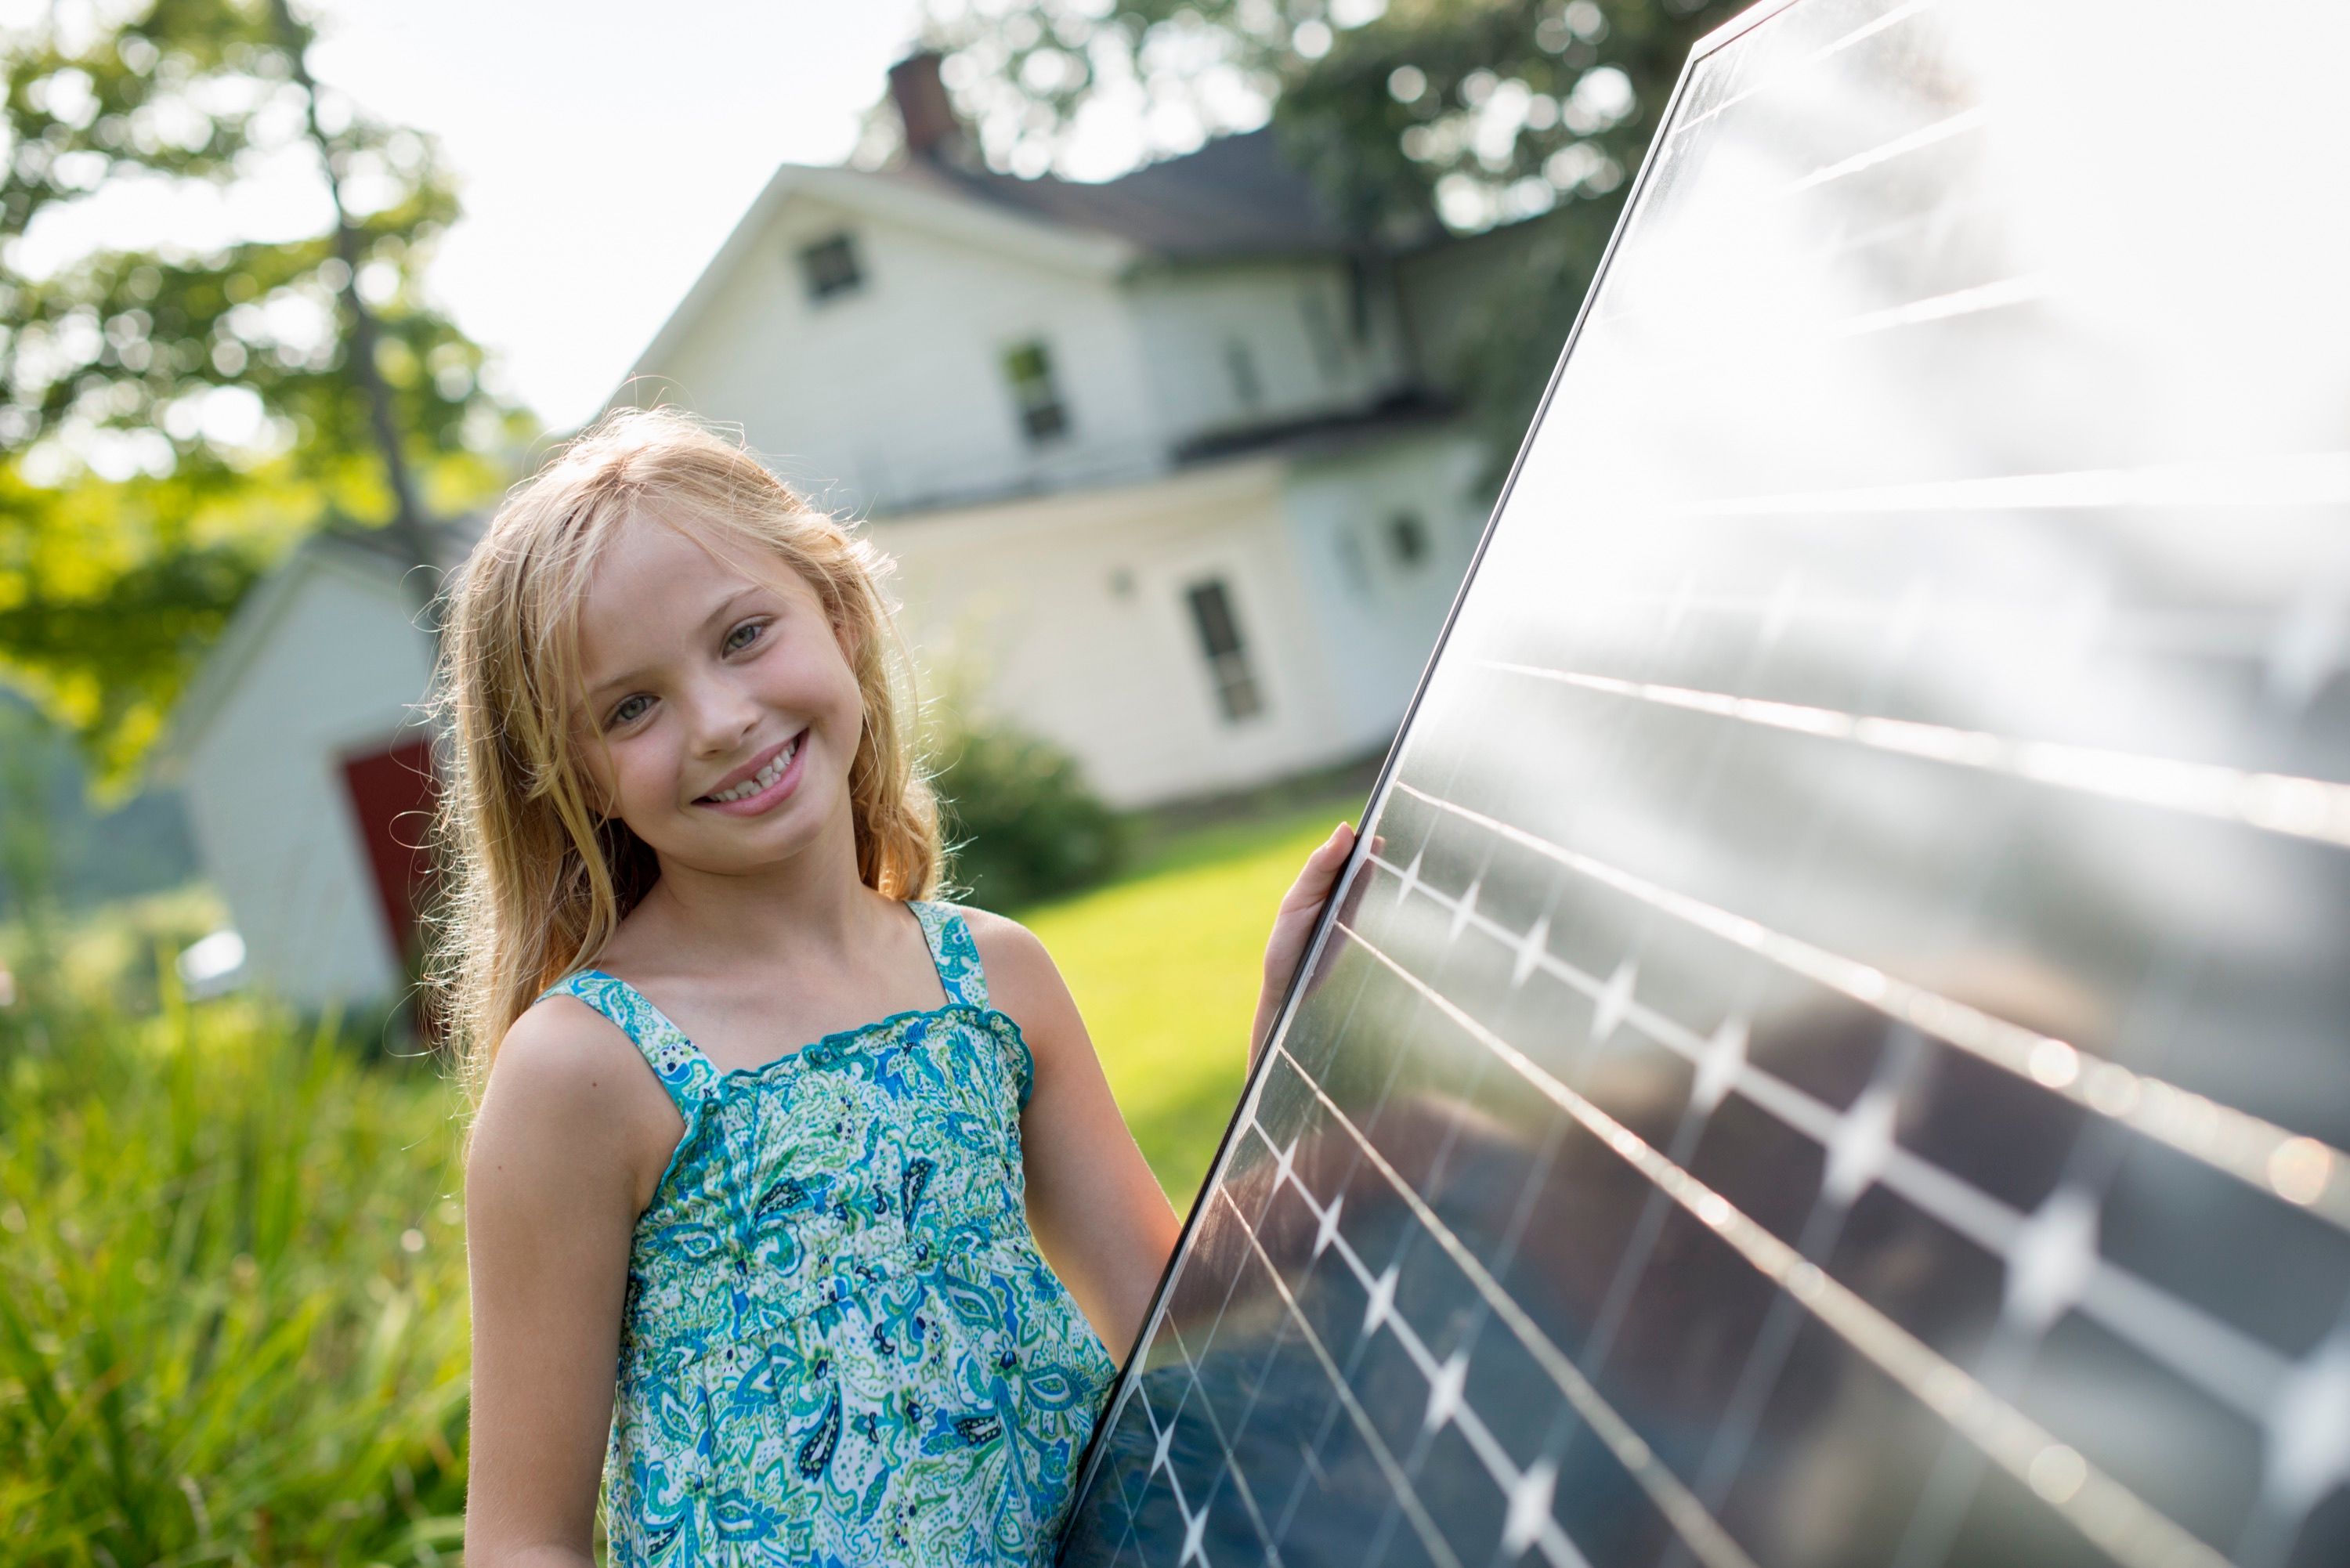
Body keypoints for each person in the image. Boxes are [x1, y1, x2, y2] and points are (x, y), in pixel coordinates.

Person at [436, 406, 1358, 1566]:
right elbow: (522, 1542)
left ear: (838, 611)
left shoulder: (994, 978)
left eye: (743, 634)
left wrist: (1294, 1053)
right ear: (572, 775)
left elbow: (1174, 1321)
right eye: (632, 706)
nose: (722, 720)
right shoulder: (584, 1068)